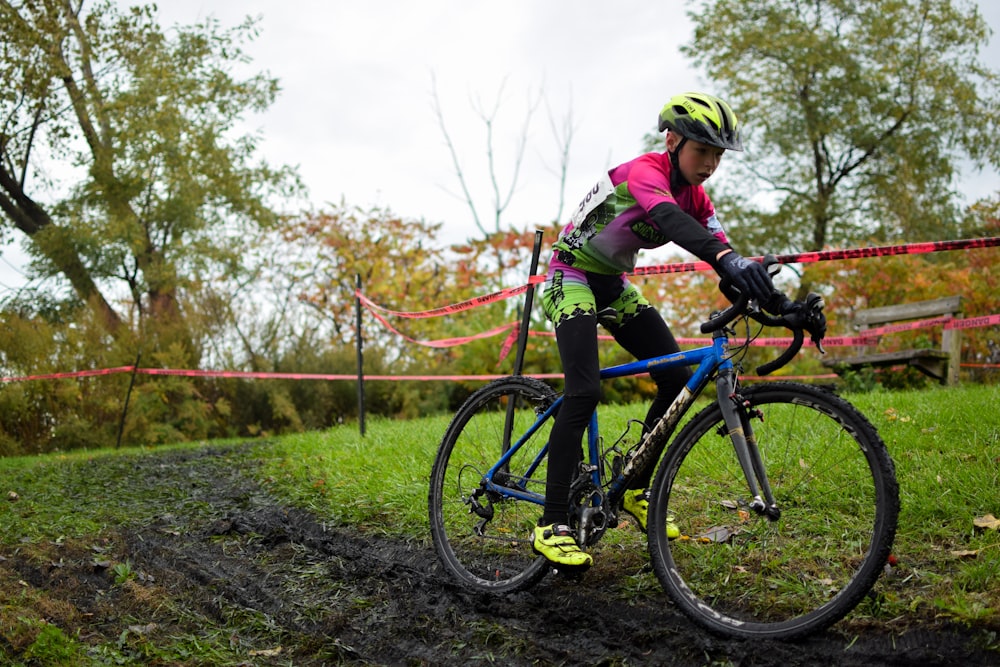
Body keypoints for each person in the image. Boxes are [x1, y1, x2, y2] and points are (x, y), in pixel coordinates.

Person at [533, 92, 779, 569]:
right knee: (583, 391)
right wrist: (725, 258)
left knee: (673, 377)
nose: (709, 164)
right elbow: (670, 220)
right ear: (672, 140)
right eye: (701, 151)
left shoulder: (699, 195)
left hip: (613, 284)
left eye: (718, 155)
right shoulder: (644, 172)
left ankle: (635, 485)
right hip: (572, 275)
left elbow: (723, 252)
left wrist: (770, 294)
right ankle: (551, 521)